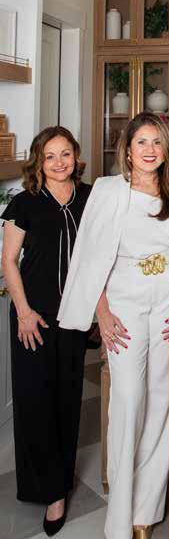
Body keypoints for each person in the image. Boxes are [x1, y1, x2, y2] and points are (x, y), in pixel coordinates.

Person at [58, 112, 169, 539]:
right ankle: (120, 518)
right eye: (141, 142)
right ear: (128, 150)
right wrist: (102, 312)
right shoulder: (108, 192)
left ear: (166, 149)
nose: (149, 150)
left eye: (157, 142)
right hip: (124, 306)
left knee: (160, 402)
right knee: (127, 401)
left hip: (168, 304)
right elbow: (91, 258)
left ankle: (146, 510)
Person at [0, 127, 91, 536]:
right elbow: (8, 261)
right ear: (38, 160)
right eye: (50, 156)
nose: (58, 163)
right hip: (32, 315)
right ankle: (49, 491)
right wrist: (23, 312)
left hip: (73, 316)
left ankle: (60, 483)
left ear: (76, 156)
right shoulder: (24, 201)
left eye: (65, 154)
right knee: (35, 401)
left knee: (67, 399)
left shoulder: (90, 198)